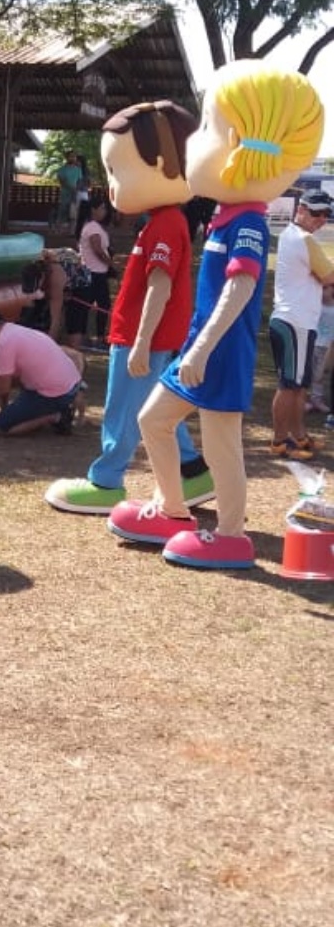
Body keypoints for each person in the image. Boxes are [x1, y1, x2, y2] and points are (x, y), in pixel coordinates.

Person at [109, 60, 324, 571]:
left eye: (208, 128)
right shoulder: (227, 214)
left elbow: (242, 286)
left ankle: (230, 535)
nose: (193, 141)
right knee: (153, 420)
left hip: (220, 353)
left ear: (245, 149)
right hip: (199, 348)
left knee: (222, 443)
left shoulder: (247, 220)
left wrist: (202, 348)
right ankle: (175, 511)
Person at [46, 99, 214, 517]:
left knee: (123, 411)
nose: (114, 186)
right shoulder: (162, 222)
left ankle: (106, 481)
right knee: (156, 410)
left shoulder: (165, 224)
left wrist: (140, 343)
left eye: (119, 172)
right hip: (145, 335)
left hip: (145, 338)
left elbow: (159, 287)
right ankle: (193, 473)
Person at [268, 189, 334, 455]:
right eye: (316, 213)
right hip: (294, 321)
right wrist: (323, 279)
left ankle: (298, 436)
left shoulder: (292, 236)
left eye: (326, 214)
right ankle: (280, 441)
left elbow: (325, 279)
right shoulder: (303, 239)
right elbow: (330, 277)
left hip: (297, 322)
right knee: (290, 385)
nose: (321, 219)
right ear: (302, 210)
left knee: (298, 385)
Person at [0, 307, 83, 435]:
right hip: (72, 386)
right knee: (15, 408)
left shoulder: (3, 343)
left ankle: (56, 416)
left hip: (55, 393)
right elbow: (10, 380)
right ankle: (50, 412)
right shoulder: (14, 330)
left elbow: (2, 388)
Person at [76, 196, 113, 348]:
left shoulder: (94, 226)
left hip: (96, 271)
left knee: (92, 305)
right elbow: (97, 248)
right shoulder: (92, 228)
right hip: (94, 272)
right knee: (101, 305)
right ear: (94, 210)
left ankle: (90, 336)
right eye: (102, 208)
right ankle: (97, 337)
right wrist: (109, 263)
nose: (104, 212)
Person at [308, 283, 334, 414]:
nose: (322, 292)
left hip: (327, 347)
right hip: (314, 344)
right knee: (312, 373)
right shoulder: (316, 306)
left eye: (325, 288)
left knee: (321, 374)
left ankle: (318, 399)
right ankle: (312, 399)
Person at [54, 151, 83, 227]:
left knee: (73, 213)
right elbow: (62, 182)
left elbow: (80, 181)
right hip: (65, 194)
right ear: (67, 158)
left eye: (74, 157)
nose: (73, 158)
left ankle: (72, 231)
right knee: (62, 212)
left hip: (75, 194)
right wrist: (72, 189)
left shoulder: (78, 170)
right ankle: (58, 229)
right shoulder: (62, 169)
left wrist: (77, 190)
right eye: (71, 156)